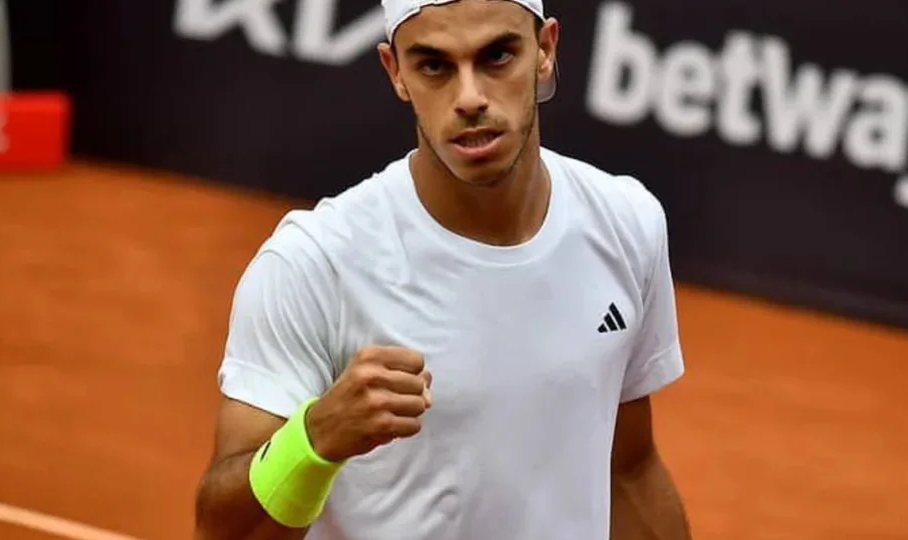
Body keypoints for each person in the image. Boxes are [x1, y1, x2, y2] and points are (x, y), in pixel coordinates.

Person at [192, 0, 691, 538]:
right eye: (434, 65)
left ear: (545, 50)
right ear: (396, 72)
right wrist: (314, 440)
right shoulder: (313, 265)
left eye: (497, 56)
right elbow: (223, 533)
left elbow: (629, 470)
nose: (469, 97)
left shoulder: (626, 223)